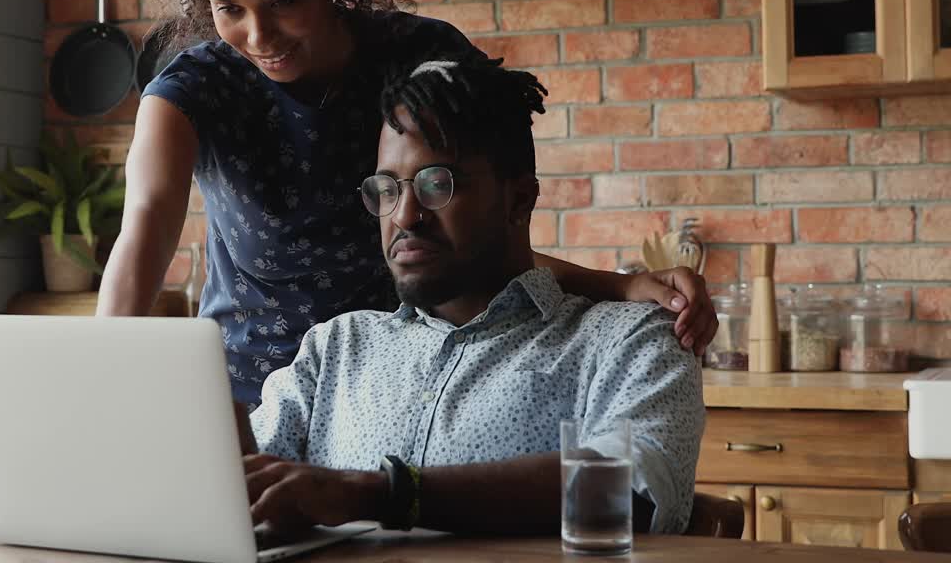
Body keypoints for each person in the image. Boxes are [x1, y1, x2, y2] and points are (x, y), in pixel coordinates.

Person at [102, 0, 715, 407]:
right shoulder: (194, 88)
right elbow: (146, 228)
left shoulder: (419, 56)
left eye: (285, 0)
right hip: (246, 409)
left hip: (403, 395)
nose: (259, 37)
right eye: (229, 10)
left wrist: (619, 286)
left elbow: (483, 239)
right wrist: (94, 376)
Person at [240, 56, 705, 535]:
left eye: (437, 184)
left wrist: (382, 493)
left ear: (519, 200)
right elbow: (232, 487)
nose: (403, 216)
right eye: (388, 189)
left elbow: (630, 493)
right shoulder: (335, 349)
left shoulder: (628, 340)